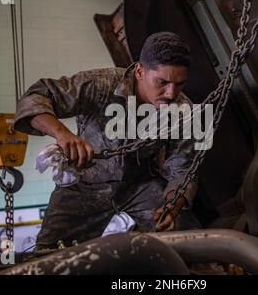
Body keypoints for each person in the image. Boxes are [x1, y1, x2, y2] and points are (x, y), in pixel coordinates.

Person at [14, 31, 200, 249]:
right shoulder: (100, 84)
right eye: (162, 82)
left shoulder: (183, 110)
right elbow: (34, 97)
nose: (170, 93)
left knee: (188, 239)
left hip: (139, 185)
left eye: (179, 84)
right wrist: (61, 133)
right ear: (140, 71)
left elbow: (184, 167)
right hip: (84, 185)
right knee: (51, 253)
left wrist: (173, 203)